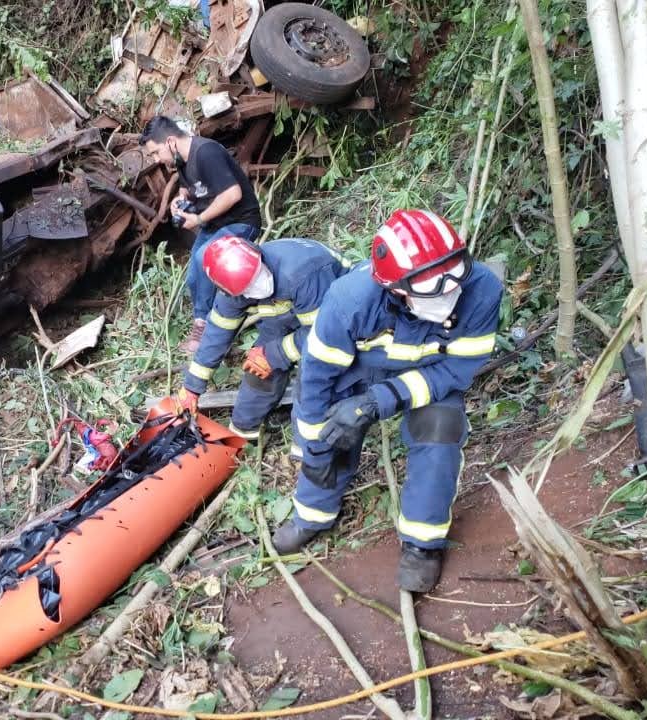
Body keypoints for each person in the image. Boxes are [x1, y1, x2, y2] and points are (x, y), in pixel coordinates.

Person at [274, 209, 503, 593]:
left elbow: (458, 370)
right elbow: (316, 376)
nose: (449, 291)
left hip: (430, 376)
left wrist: (379, 402)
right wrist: (313, 440)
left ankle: (422, 544)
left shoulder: (483, 290)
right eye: (432, 286)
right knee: (327, 431)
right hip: (358, 371)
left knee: (440, 430)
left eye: (454, 275)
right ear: (396, 289)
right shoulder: (350, 301)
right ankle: (312, 515)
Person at [176, 234, 348, 441]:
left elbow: (326, 332)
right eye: (247, 288)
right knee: (258, 370)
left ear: (258, 255)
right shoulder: (233, 287)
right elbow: (217, 332)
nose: (257, 286)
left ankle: (307, 445)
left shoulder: (303, 272)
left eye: (257, 276)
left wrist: (277, 353)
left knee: (310, 378)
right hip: (284, 313)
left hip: (334, 314)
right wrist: (192, 387)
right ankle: (242, 437)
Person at [140, 116, 262, 352]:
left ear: (171, 142)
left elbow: (233, 194)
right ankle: (204, 321)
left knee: (204, 257)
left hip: (241, 222)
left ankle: (206, 328)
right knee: (194, 275)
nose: (156, 160)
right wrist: (180, 199)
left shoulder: (206, 152)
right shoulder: (181, 160)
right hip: (216, 225)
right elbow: (190, 187)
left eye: (156, 152)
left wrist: (199, 219)